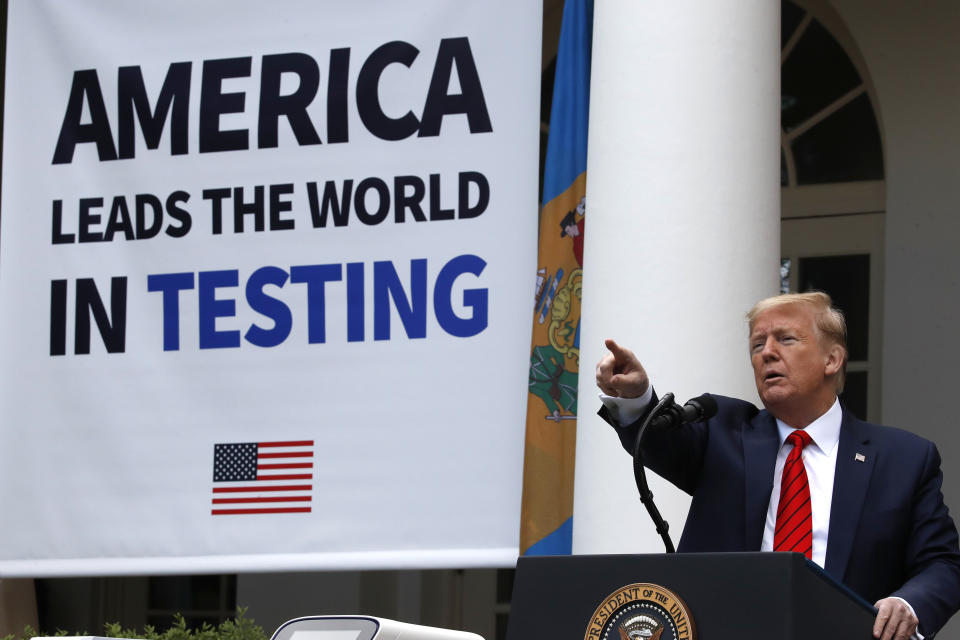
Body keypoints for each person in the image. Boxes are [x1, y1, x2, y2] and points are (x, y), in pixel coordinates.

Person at [595, 292, 960, 640]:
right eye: (757, 345)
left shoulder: (903, 459)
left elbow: (943, 564)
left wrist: (909, 603)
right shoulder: (723, 431)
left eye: (786, 339)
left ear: (831, 360)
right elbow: (661, 443)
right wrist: (637, 398)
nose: (767, 353)